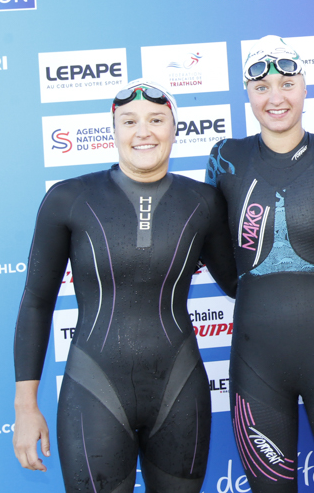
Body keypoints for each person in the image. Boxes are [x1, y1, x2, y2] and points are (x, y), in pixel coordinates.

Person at [13, 79, 239, 493]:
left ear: (175, 128)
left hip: (179, 390)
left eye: (156, 120)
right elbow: (36, 302)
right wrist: (25, 408)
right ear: (113, 130)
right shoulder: (69, 198)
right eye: (129, 121)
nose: (143, 132)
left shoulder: (204, 202)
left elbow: (241, 285)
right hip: (93, 390)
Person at [205, 35, 314, 493]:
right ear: (247, 93)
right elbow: (220, 258)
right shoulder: (226, 159)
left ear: (305, 87)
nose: (275, 98)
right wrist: (258, 287)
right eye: (261, 87)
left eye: (287, 84)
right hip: (256, 362)